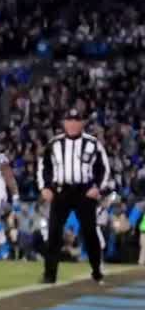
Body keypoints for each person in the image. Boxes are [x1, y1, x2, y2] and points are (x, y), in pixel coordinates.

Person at [36, 107, 111, 284]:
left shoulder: (93, 143)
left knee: (90, 232)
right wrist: (45, 187)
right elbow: (44, 167)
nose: (72, 124)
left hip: (84, 192)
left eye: (76, 121)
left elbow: (103, 168)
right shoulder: (54, 143)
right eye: (69, 120)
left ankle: (96, 270)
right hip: (61, 191)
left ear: (82, 123)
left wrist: (98, 188)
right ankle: (49, 274)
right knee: (54, 232)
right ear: (64, 123)